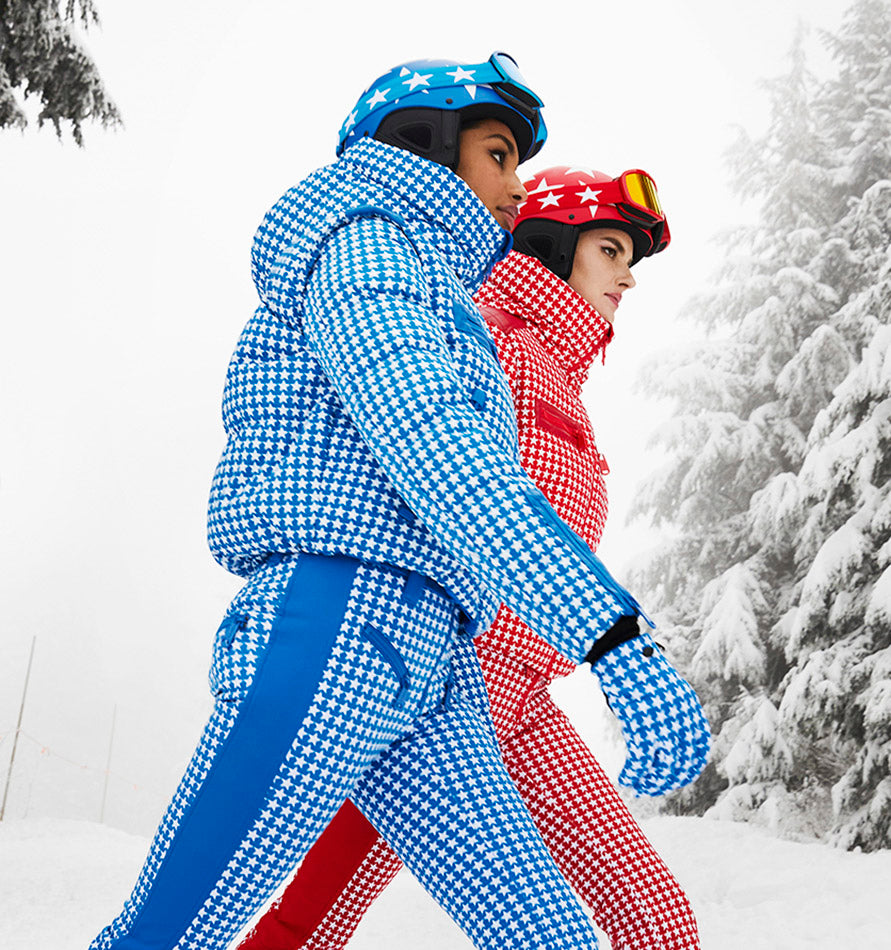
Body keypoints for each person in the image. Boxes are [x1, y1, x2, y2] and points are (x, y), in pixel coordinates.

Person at [89, 54, 708, 950]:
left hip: (437, 654)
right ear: (423, 141)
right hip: (340, 621)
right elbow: (435, 447)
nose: (517, 185)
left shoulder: (443, 296)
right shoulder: (364, 250)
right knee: (171, 937)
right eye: (499, 154)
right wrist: (612, 641)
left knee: (552, 934)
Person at [235, 167, 703, 950]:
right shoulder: (489, 343)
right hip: (447, 685)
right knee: (312, 923)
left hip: (524, 696)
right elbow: (432, 470)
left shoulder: (558, 378)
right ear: (549, 246)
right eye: (610, 250)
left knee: (653, 914)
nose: (627, 277)